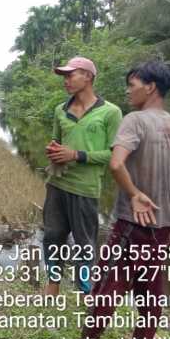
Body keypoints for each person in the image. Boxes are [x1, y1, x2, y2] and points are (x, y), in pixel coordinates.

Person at [61, 60, 170, 339]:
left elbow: (115, 163)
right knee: (151, 285)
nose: (128, 92)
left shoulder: (135, 121)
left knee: (108, 281)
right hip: (162, 225)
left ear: (150, 86)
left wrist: (134, 194)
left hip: (133, 221)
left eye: (132, 85)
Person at [43, 57, 123, 296]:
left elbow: (113, 156)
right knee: (52, 236)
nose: (66, 80)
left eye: (71, 75)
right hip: (57, 185)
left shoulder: (110, 113)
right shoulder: (60, 109)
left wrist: (77, 155)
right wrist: (53, 150)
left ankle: (85, 290)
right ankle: (52, 285)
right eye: (64, 76)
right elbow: (56, 142)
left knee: (85, 244)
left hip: (85, 189)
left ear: (88, 76)